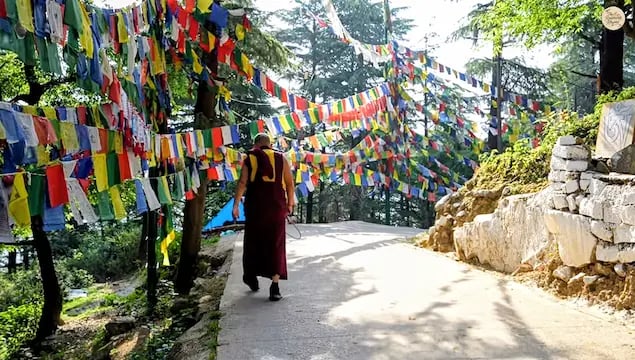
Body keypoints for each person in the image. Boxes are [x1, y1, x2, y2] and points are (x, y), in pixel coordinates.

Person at [232, 133, 295, 301]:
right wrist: (290, 204)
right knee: (276, 244)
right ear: (270, 144)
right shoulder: (281, 158)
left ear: (256, 145)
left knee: (253, 242)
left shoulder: (251, 158)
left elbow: (243, 183)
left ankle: (251, 277)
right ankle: (275, 287)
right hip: (276, 208)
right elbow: (289, 183)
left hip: (256, 208)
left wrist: (236, 204)